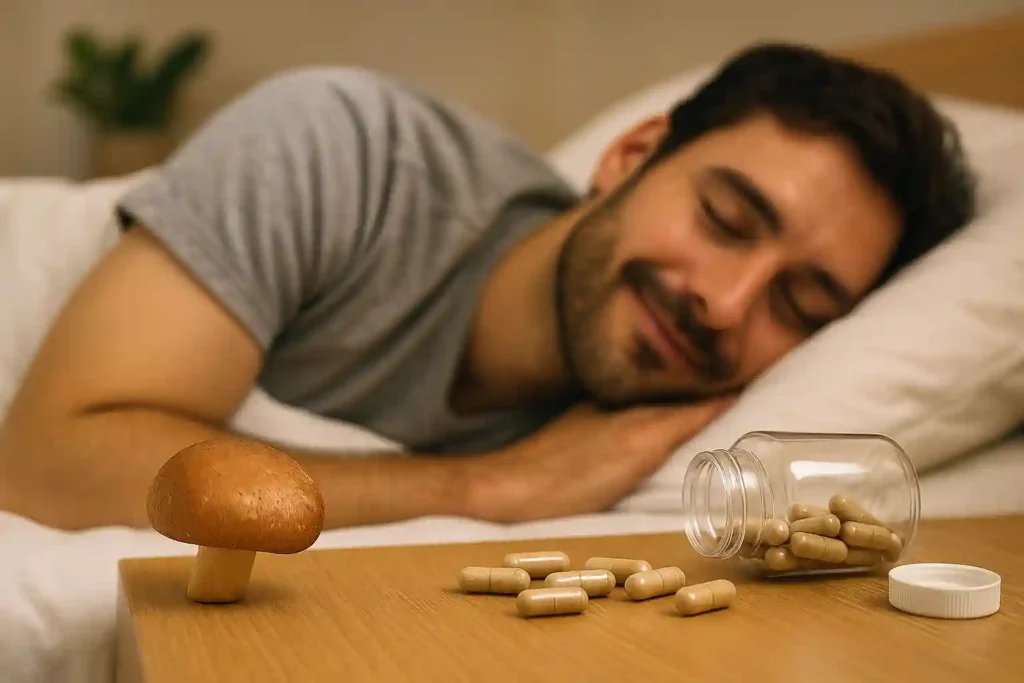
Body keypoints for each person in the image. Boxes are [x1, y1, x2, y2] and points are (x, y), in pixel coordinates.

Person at [0, 42, 975, 531]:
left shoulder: (652, 439)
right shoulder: (344, 148)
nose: (725, 304)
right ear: (631, 153)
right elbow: (45, 458)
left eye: (799, 308)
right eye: (723, 219)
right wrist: (486, 487)